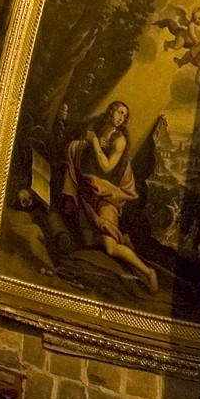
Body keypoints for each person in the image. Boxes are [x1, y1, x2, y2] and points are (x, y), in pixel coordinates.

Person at [61, 101, 158, 293]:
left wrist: (94, 142)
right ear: (111, 111)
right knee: (88, 241)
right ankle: (121, 238)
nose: (121, 118)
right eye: (119, 112)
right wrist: (88, 141)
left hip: (107, 196)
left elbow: (106, 167)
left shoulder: (118, 140)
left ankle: (148, 272)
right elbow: (77, 144)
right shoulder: (95, 127)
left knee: (111, 248)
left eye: (125, 115)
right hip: (89, 191)